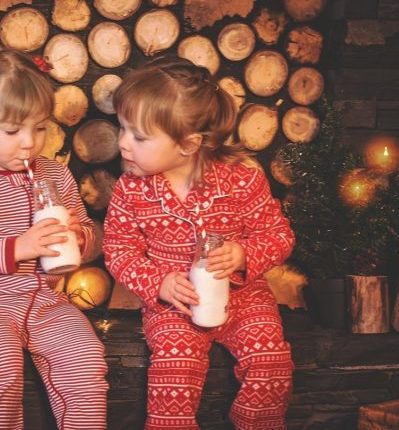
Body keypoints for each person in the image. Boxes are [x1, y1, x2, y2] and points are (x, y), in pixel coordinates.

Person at [102, 56, 295, 430]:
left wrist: (243, 255)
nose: (123, 143)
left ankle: (257, 423)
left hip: (244, 299)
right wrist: (158, 283)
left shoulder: (241, 180)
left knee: (271, 360)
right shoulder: (132, 189)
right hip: (175, 305)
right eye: (121, 128)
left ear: (188, 144)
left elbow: (279, 234)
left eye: (138, 136)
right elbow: (119, 249)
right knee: (174, 372)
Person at [0, 50, 108, 430]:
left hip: (45, 302)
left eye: (40, 128)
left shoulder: (56, 176)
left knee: (87, 357)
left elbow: (90, 233)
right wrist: (19, 247)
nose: (29, 143)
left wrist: (81, 238)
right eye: (13, 131)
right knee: (1, 363)